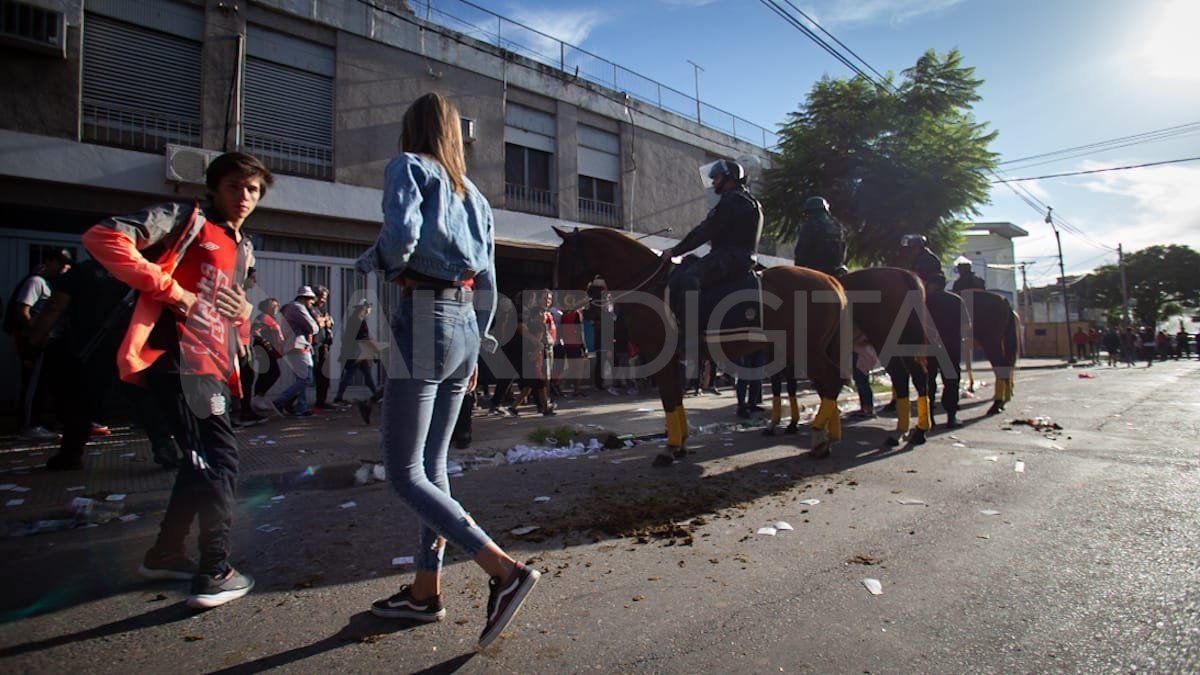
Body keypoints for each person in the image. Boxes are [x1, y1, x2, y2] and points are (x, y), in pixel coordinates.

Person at [355, 92, 539, 649]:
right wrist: (480, 344)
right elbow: (488, 280)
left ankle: (504, 571)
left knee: (405, 471)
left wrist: (372, 262)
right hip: (463, 326)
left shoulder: (407, 167)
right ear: (456, 135)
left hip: (423, 316)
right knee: (433, 465)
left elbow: (402, 237)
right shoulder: (475, 195)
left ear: (410, 130)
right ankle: (424, 589)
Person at [82, 151, 271, 608]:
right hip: (177, 360)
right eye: (234, 187)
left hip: (210, 366)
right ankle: (214, 569)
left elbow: (233, 305)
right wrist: (173, 292)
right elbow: (103, 236)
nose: (244, 197)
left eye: (253, 190)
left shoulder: (241, 244)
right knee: (221, 461)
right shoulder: (186, 219)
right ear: (214, 187)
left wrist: (246, 316)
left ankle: (166, 552)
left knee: (199, 461)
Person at [662, 159, 763, 318]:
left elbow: (705, 231)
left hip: (732, 256)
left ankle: (691, 334)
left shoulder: (733, 201)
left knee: (690, 277)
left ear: (729, 178)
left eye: (716, 177)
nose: (713, 181)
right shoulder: (744, 199)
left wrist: (674, 251)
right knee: (689, 262)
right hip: (736, 255)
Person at [5, 248, 72, 440]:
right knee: (33, 383)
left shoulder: (51, 284)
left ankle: (41, 422)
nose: (64, 268)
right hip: (36, 342)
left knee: (44, 383)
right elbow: (23, 311)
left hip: (48, 342)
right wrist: (38, 332)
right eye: (60, 263)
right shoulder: (36, 282)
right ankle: (29, 426)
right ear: (49, 262)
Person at [273, 286, 320, 417]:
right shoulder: (298, 308)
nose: (312, 303)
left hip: (293, 346)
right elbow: (313, 327)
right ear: (305, 298)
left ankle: (300, 407)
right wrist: (318, 324)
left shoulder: (289, 308)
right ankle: (281, 401)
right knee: (306, 379)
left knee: (301, 378)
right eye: (311, 300)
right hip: (298, 346)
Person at [334, 299, 382, 405]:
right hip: (355, 354)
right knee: (350, 375)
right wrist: (377, 350)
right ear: (364, 308)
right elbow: (365, 339)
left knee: (366, 375)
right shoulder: (359, 320)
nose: (370, 310)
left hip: (356, 353)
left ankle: (376, 395)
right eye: (369, 307)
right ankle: (338, 397)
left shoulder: (355, 319)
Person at [791, 196, 846, 276]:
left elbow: (802, 251)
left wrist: (797, 270)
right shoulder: (837, 226)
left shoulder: (810, 226)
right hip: (836, 271)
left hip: (813, 271)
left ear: (810, 212)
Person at [250, 298, 284, 409]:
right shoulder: (263, 317)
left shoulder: (272, 319)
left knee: (267, 373)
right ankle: (257, 398)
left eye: (276, 306)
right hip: (263, 349)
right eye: (272, 306)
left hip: (270, 350)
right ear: (265, 307)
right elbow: (254, 330)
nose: (275, 308)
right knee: (272, 372)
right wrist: (264, 341)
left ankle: (258, 398)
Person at [310, 285, 335, 410]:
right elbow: (318, 323)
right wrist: (325, 320)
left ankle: (321, 402)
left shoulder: (319, 310)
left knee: (324, 376)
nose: (324, 301)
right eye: (323, 298)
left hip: (324, 345)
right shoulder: (311, 308)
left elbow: (325, 322)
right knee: (311, 376)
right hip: (315, 346)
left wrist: (326, 321)